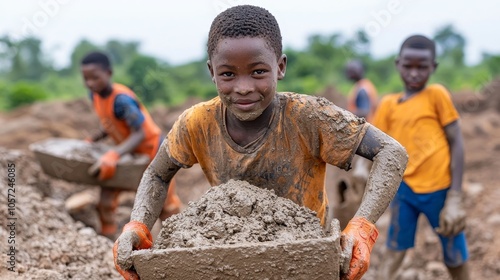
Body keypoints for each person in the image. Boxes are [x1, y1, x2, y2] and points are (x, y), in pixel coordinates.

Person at [113, 5, 408, 280]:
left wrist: (362, 227)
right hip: (227, 259)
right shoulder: (197, 123)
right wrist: (137, 224)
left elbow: (391, 151)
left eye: (258, 72)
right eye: (228, 74)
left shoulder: (309, 116)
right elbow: (156, 173)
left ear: (280, 67)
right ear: (211, 72)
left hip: (304, 257)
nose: (243, 88)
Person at [373, 35, 469, 280]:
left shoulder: (436, 95)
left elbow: (456, 141)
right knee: (395, 248)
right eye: (408, 66)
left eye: (422, 67)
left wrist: (455, 198)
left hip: (439, 188)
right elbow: (375, 146)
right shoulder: (388, 105)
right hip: (404, 189)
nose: (414, 73)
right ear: (398, 64)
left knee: (453, 251)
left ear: (433, 67)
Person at [80, 51, 183, 239]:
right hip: (130, 155)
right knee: (106, 198)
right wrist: (94, 139)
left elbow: (140, 133)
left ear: (109, 73)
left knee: (164, 204)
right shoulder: (95, 96)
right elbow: (109, 123)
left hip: (153, 153)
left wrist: (115, 154)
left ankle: (177, 241)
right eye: (86, 79)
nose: (90, 83)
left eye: (95, 78)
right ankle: (107, 239)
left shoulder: (122, 101)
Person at [332, 60, 380, 229]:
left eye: (352, 70)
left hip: (364, 139)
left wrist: (343, 115)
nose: (349, 73)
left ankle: (361, 219)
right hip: (365, 137)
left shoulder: (362, 89)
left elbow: (364, 112)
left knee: (360, 178)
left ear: (360, 70)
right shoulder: (363, 86)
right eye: (348, 70)